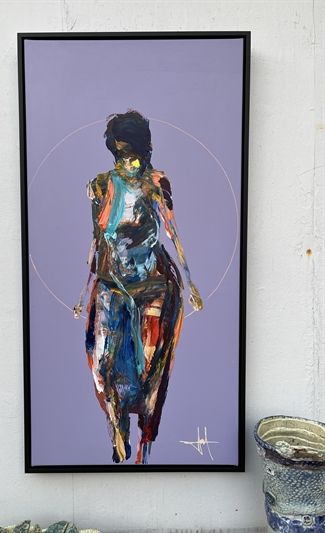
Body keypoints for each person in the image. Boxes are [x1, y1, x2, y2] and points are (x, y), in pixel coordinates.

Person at [74, 110, 202, 465]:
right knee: (103, 367)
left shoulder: (157, 183)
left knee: (147, 372)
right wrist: (85, 290)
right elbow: (96, 241)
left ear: (145, 152)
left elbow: (172, 232)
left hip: (152, 287)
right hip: (111, 286)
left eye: (134, 156)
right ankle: (118, 433)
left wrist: (190, 281)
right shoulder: (100, 186)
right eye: (121, 156)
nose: (128, 164)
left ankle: (145, 442)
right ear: (114, 153)